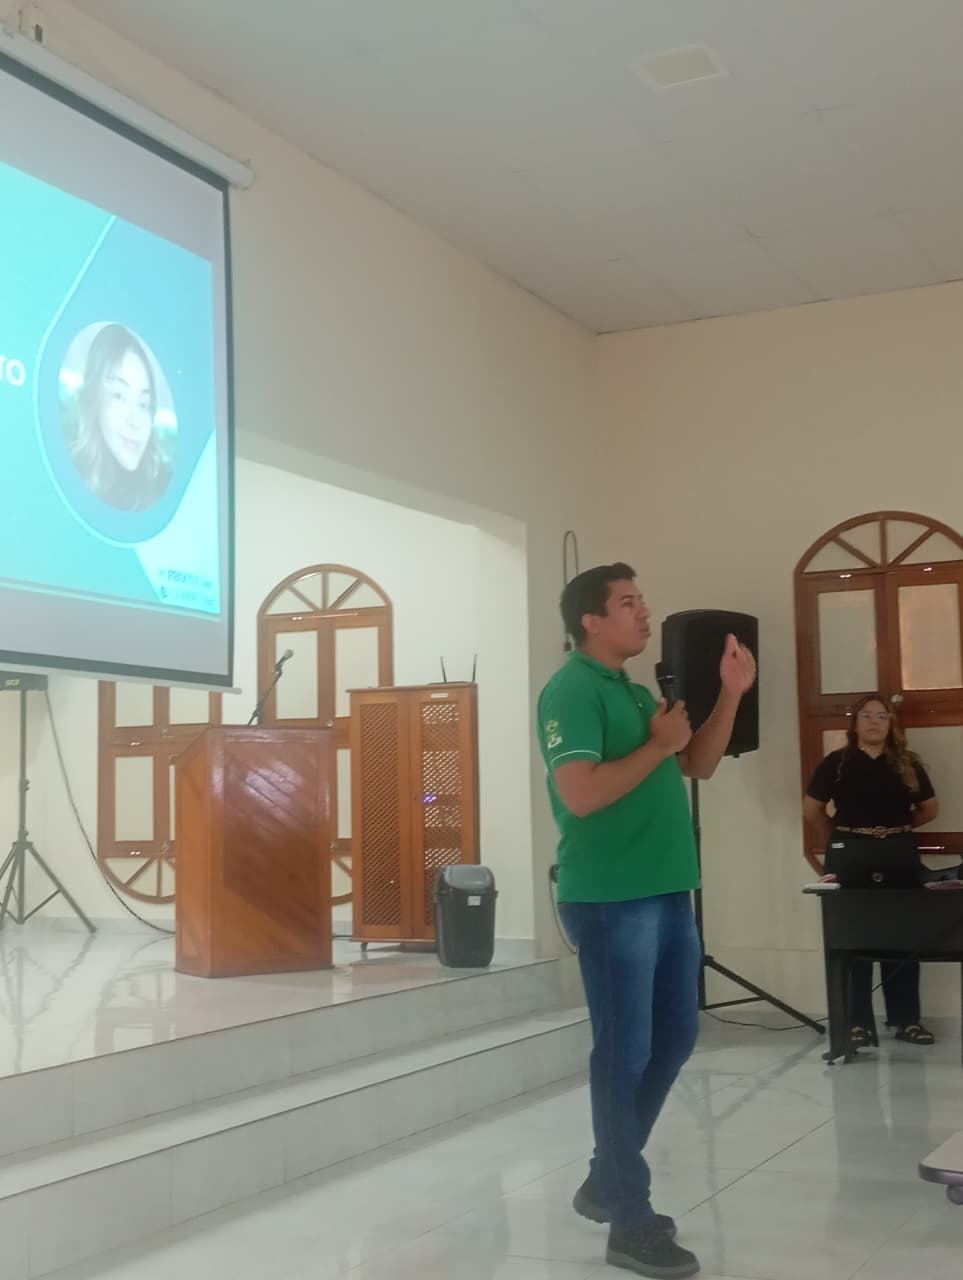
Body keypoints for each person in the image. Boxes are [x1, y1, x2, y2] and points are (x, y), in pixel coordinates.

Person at [537, 563, 756, 1279]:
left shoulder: (634, 690)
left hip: (666, 888)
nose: (643, 612)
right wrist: (658, 744)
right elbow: (581, 793)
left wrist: (730, 694)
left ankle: (607, 1180)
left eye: (641, 600)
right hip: (611, 896)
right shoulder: (570, 690)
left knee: (675, 1036)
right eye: (627, 602)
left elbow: (698, 764)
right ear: (590, 620)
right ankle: (629, 1218)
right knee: (623, 1050)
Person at [803, 693, 939, 1049]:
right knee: (853, 937)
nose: (874, 721)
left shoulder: (908, 763)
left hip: (898, 855)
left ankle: (907, 1020)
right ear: (855, 722)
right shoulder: (836, 763)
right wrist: (844, 835)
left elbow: (929, 809)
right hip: (851, 856)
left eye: (882, 716)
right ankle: (857, 1024)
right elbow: (812, 809)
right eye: (867, 715)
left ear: (891, 724)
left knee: (902, 938)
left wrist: (892, 830)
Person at [68, 324, 172, 510]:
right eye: (119, 395)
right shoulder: (69, 470)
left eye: (143, 405)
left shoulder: (164, 490)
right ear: (94, 398)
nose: (134, 421)